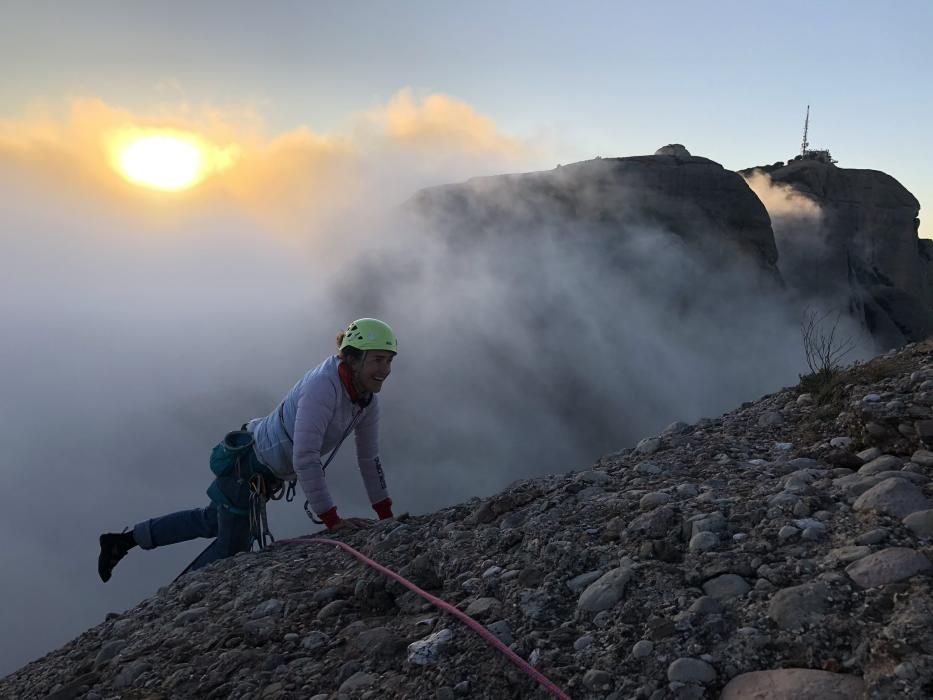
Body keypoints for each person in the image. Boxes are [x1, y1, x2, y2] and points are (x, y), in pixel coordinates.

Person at [98, 318, 398, 582]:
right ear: (353, 358)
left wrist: (385, 515)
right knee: (230, 548)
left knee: (211, 520)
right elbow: (305, 456)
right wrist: (333, 521)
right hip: (250, 468)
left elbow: (369, 458)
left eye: (388, 360)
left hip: (258, 468)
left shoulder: (365, 399)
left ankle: (125, 540)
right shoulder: (324, 386)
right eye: (378, 360)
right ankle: (165, 605)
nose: (385, 369)